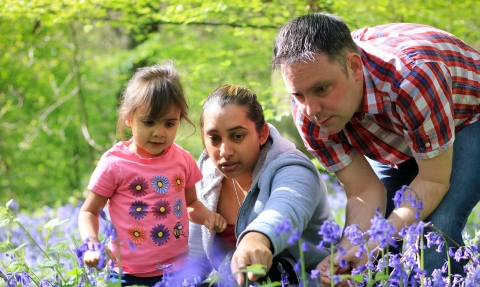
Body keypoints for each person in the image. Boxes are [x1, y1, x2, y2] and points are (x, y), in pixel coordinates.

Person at [272, 12, 480, 284]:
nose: (311, 110)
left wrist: (378, 239)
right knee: (373, 248)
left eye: (322, 88)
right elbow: (363, 191)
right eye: (298, 94)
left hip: (467, 117)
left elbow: (432, 179)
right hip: (401, 133)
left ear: (355, 67)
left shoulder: (411, 78)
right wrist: (349, 250)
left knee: (433, 229)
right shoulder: (309, 116)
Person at [78, 62, 227, 287]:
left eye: (169, 123)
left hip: (177, 271)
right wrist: (91, 243)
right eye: (149, 122)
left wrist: (207, 217)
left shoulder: (182, 159)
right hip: (126, 274)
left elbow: (191, 203)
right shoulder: (115, 164)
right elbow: (89, 211)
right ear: (129, 118)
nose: (159, 133)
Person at [188, 84, 335, 286]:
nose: (225, 151)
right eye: (214, 138)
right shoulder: (203, 176)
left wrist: (256, 239)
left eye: (237, 136)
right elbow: (195, 257)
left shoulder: (294, 169)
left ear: (262, 134)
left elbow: (285, 208)